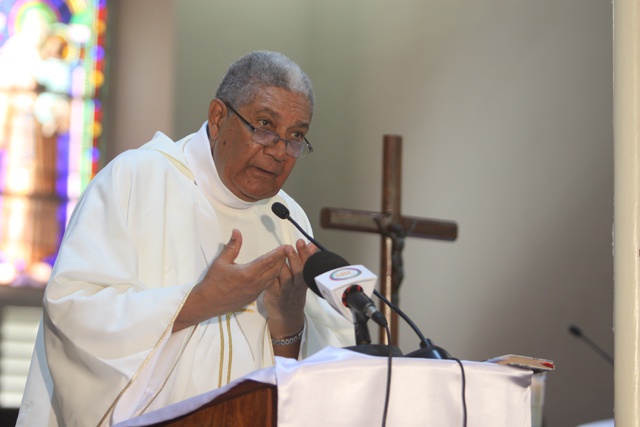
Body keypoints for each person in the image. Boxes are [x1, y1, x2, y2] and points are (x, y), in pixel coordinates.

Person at [17, 51, 355, 427]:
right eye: (264, 125)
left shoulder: (289, 221)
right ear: (217, 117)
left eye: (296, 137)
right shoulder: (136, 180)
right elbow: (73, 313)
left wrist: (289, 323)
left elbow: (305, 385)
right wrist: (197, 302)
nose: (279, 151)